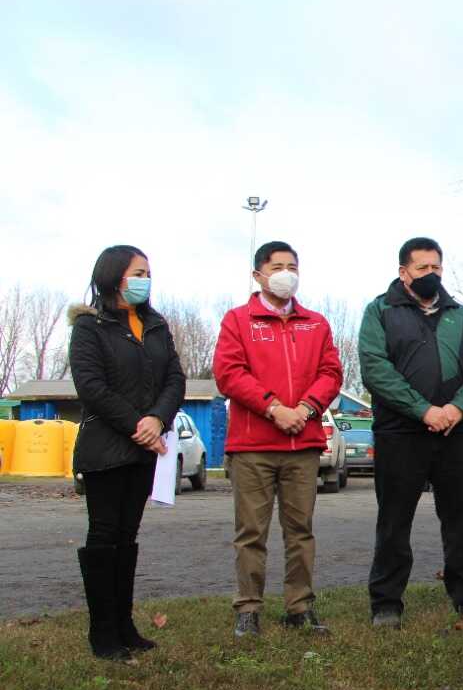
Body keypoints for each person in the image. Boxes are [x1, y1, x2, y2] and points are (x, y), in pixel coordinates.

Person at [359, 237, 463, 628]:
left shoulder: (462, 315)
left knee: (459, 520)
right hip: (400, 434)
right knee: (394, 520)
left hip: (453, 432)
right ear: (404, 272)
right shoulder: (380, 311)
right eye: (422, 268)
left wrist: (456, 408)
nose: (431, 275)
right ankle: (386, 603)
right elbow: (375, 368)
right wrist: (423, 410)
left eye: (436, 267)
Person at [213, 241, 343, 638]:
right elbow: (229, 374)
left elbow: (331, 372)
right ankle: (248, 608)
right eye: (278, 266)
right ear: (259, 275)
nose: (286, 273)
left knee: (300, 531)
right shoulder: (237, 321)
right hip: (253, 448)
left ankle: (299, 607)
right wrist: (274, 409)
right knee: (251, 533)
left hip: (301, 447)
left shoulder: (316, 323)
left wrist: (304, 409)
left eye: (293, 266)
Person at [69, 245, 185, 660]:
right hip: (105, 449)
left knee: (127, 537)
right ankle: (102, 634)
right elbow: (91, 387)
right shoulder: (89, 327)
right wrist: (139, 425)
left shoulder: (155, 325)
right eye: (139, 272)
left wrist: (158, 418)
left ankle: (124, 625)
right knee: (104, 536)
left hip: (145, 451)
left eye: (149, 272)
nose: (146, 279)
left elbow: (174, 378)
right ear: (115, 276)